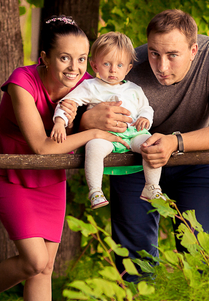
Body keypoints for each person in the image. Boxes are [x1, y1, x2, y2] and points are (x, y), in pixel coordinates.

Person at [0, 16, 127, 301]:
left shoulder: (87, 85)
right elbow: (42, 146)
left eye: (81, 59)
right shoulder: (21, 83)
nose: (74, 68)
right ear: (44, 57)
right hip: (10, 167)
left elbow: (115, 109)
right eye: (64, 58)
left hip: (49, 178)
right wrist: (92, 131)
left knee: (44, 270)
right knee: (34, 260)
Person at [75, 9, 209, 280]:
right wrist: (86, 120)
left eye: (172, 55)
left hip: (197, 159)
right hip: (134, 159)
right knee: (134, 262)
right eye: (154, 53)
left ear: (194, 50)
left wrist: (175, 142)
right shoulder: (126, 63)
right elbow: (77, 111)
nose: (161, 66)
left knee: (200, 258)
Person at [50, 32, 164, 209]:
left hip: (133, 133)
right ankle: (95, 190)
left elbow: (146, 107)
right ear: (94, 65)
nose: (113, 70)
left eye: (119, 65)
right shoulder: (90, 86)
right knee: (93, 147)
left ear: (128, 68)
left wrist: (145, 118)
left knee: (152, 144)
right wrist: (59, 122)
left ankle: (152, 186)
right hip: (104, 136)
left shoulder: (134, 89)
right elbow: (68, 103)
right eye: (106, 64)